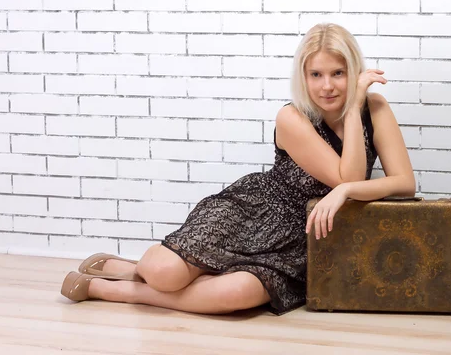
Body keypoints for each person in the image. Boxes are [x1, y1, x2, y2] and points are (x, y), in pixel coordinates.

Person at [60, 23, 415, 315]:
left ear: (353, 70)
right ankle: (133, 269)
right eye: (316, 74)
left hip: (304, 235)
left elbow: (404, 183)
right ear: (303, 77)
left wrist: (347, 190)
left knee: (236, 296)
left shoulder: (377, 108)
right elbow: (348, 175)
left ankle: (116, 290)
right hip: (258, 211)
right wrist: (353, 112)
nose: (327, 86)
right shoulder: (291, 117)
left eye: (339, 73)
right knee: (163, 273)